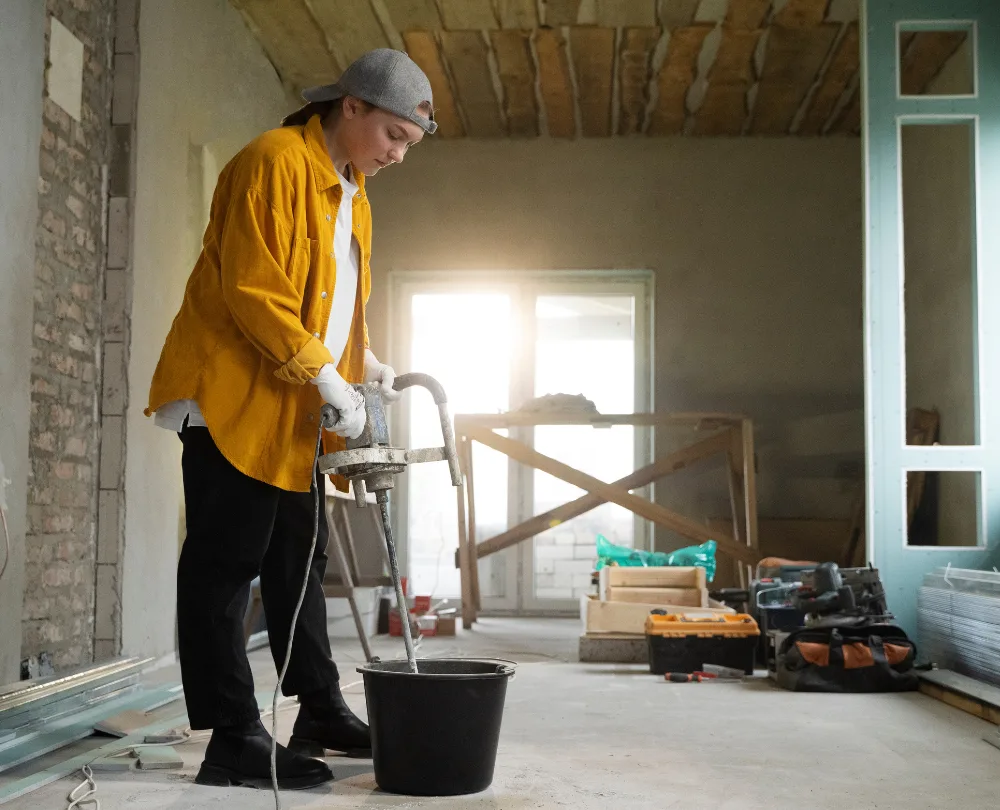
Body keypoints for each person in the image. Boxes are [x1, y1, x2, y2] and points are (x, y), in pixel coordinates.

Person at [145, 49, 436, 790]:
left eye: (409, 143)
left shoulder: (354, 190)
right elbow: (252, 291)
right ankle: (231, 738)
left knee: (298, 559)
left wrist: (361, 364)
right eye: (394, 135)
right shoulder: (272, 162)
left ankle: (318, 707)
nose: (398, 155)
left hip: (294, 402)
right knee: (225, 562)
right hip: (233, 397)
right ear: (352, 107)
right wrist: (325, 373)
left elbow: (336, 302)